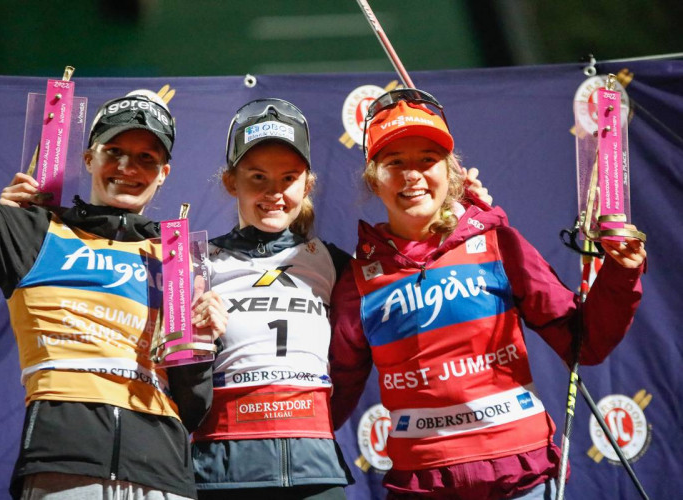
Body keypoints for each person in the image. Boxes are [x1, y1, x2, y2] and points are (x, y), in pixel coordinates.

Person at [328, 88, 646, 499]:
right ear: (374, 178)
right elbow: (333, 394)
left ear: (451, 170)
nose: (412, 175)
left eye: (427, 160)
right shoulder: (358, 280)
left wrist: (621, 271)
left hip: (522, 478)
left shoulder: (499, 244)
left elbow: (585, 342)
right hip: (424, 484)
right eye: (394, 163)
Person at [0, 92, 227, 499]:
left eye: (147, 158)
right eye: (114, 151)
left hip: (164, 477)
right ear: (88, 159)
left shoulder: (176, 261)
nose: (128, 167)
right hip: (64, 466)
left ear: (164, 173)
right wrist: (9, 218)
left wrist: (203, 346)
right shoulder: (35, 234)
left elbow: (192, 407)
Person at [185, 98, 354, 500]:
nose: (273, 193)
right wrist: (196, 341)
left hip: (316, 470)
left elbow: (413, 271)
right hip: (224, 472)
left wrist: (468, 210)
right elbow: (172, 380)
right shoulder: (196, 264)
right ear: (231, 181)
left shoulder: (335, 264)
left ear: (307, 183)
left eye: (288, 178)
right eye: (257, 177)